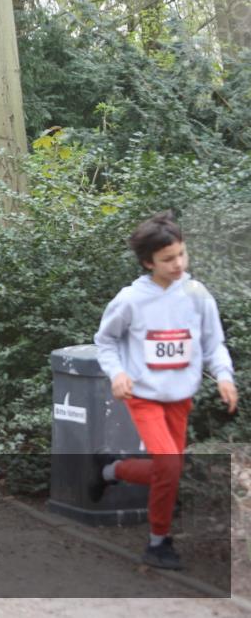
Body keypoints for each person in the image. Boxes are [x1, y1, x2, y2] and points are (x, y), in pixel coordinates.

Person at [92, 210, 237, 570]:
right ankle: (158, 543)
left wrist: (223, 375)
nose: (178, 264)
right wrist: (117, 373)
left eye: (182, 255)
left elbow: (213, 341)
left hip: (180, 397)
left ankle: (112, 471)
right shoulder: (130, 299)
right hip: (144, 396)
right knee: (169, 465)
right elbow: (105, 341)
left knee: (168, 468)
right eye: (168, 259)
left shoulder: (196, 294)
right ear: (148, 262)